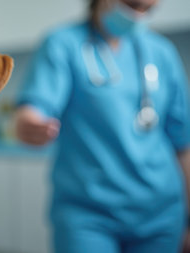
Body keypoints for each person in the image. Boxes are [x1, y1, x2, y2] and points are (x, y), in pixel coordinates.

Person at [14, 0, 190, 252]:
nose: (139, 15)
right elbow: (33, 108)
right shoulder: (63, 44)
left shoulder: (162, 52)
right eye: (133, 5)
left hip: (161, 214)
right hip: (88, 214)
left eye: (148, 10)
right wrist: (27, 124)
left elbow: (183, 144)